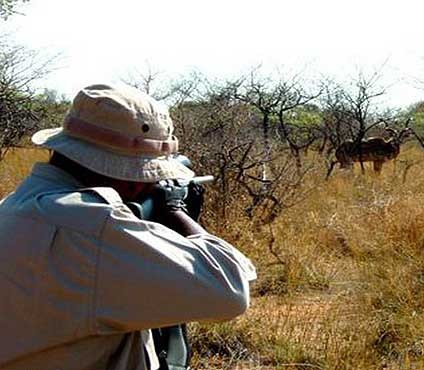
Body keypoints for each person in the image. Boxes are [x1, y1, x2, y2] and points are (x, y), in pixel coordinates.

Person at [0, 84, 256, 370]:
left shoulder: (12, 207)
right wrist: (176, 211)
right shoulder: (93, 224)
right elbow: (230, 290)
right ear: (134, 179)